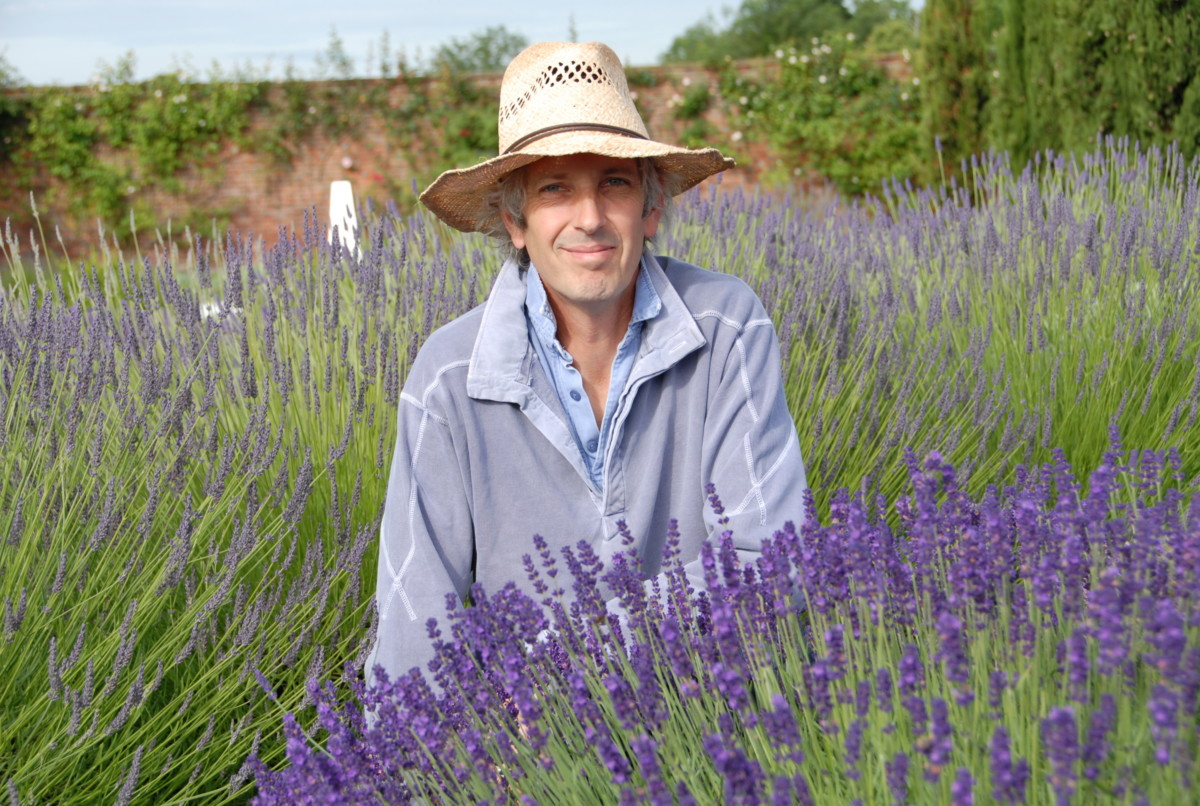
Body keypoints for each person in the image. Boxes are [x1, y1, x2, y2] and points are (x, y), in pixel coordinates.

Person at [367, 41, 808, 682]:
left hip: (708, 719)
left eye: (614, 183)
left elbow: (771, 560)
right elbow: (415, 616)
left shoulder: (725, 327)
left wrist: (586, 652)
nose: (590, 218)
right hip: (522, 752)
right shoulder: (449, 377)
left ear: (650, 207)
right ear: (515, 221)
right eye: (554, 189)